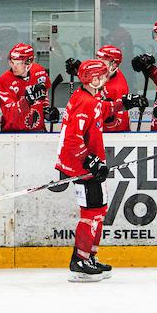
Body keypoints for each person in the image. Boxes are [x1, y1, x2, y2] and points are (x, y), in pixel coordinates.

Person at [55, 58, 113, 282]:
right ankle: (79, 259)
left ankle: (90, 257)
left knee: (99, 211)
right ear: (95, 78)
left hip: (90, 166)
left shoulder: (90, 97)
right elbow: (72, 139)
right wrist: (90, 161)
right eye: (103, 75)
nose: (106, 79)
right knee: (91, 214)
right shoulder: (85, 102)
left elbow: (102, 109)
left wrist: (122, 104)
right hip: (84, 169)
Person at [0, 43, 52, 132]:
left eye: (18, 63)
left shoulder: (39, 71)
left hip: (38, 129)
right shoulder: (4, 80)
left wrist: (46, 111)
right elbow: (9, 114)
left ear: (29, 63)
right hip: (12, 131)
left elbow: (44, 95)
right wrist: (26, 102)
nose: (14, 66)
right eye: (12, 62)